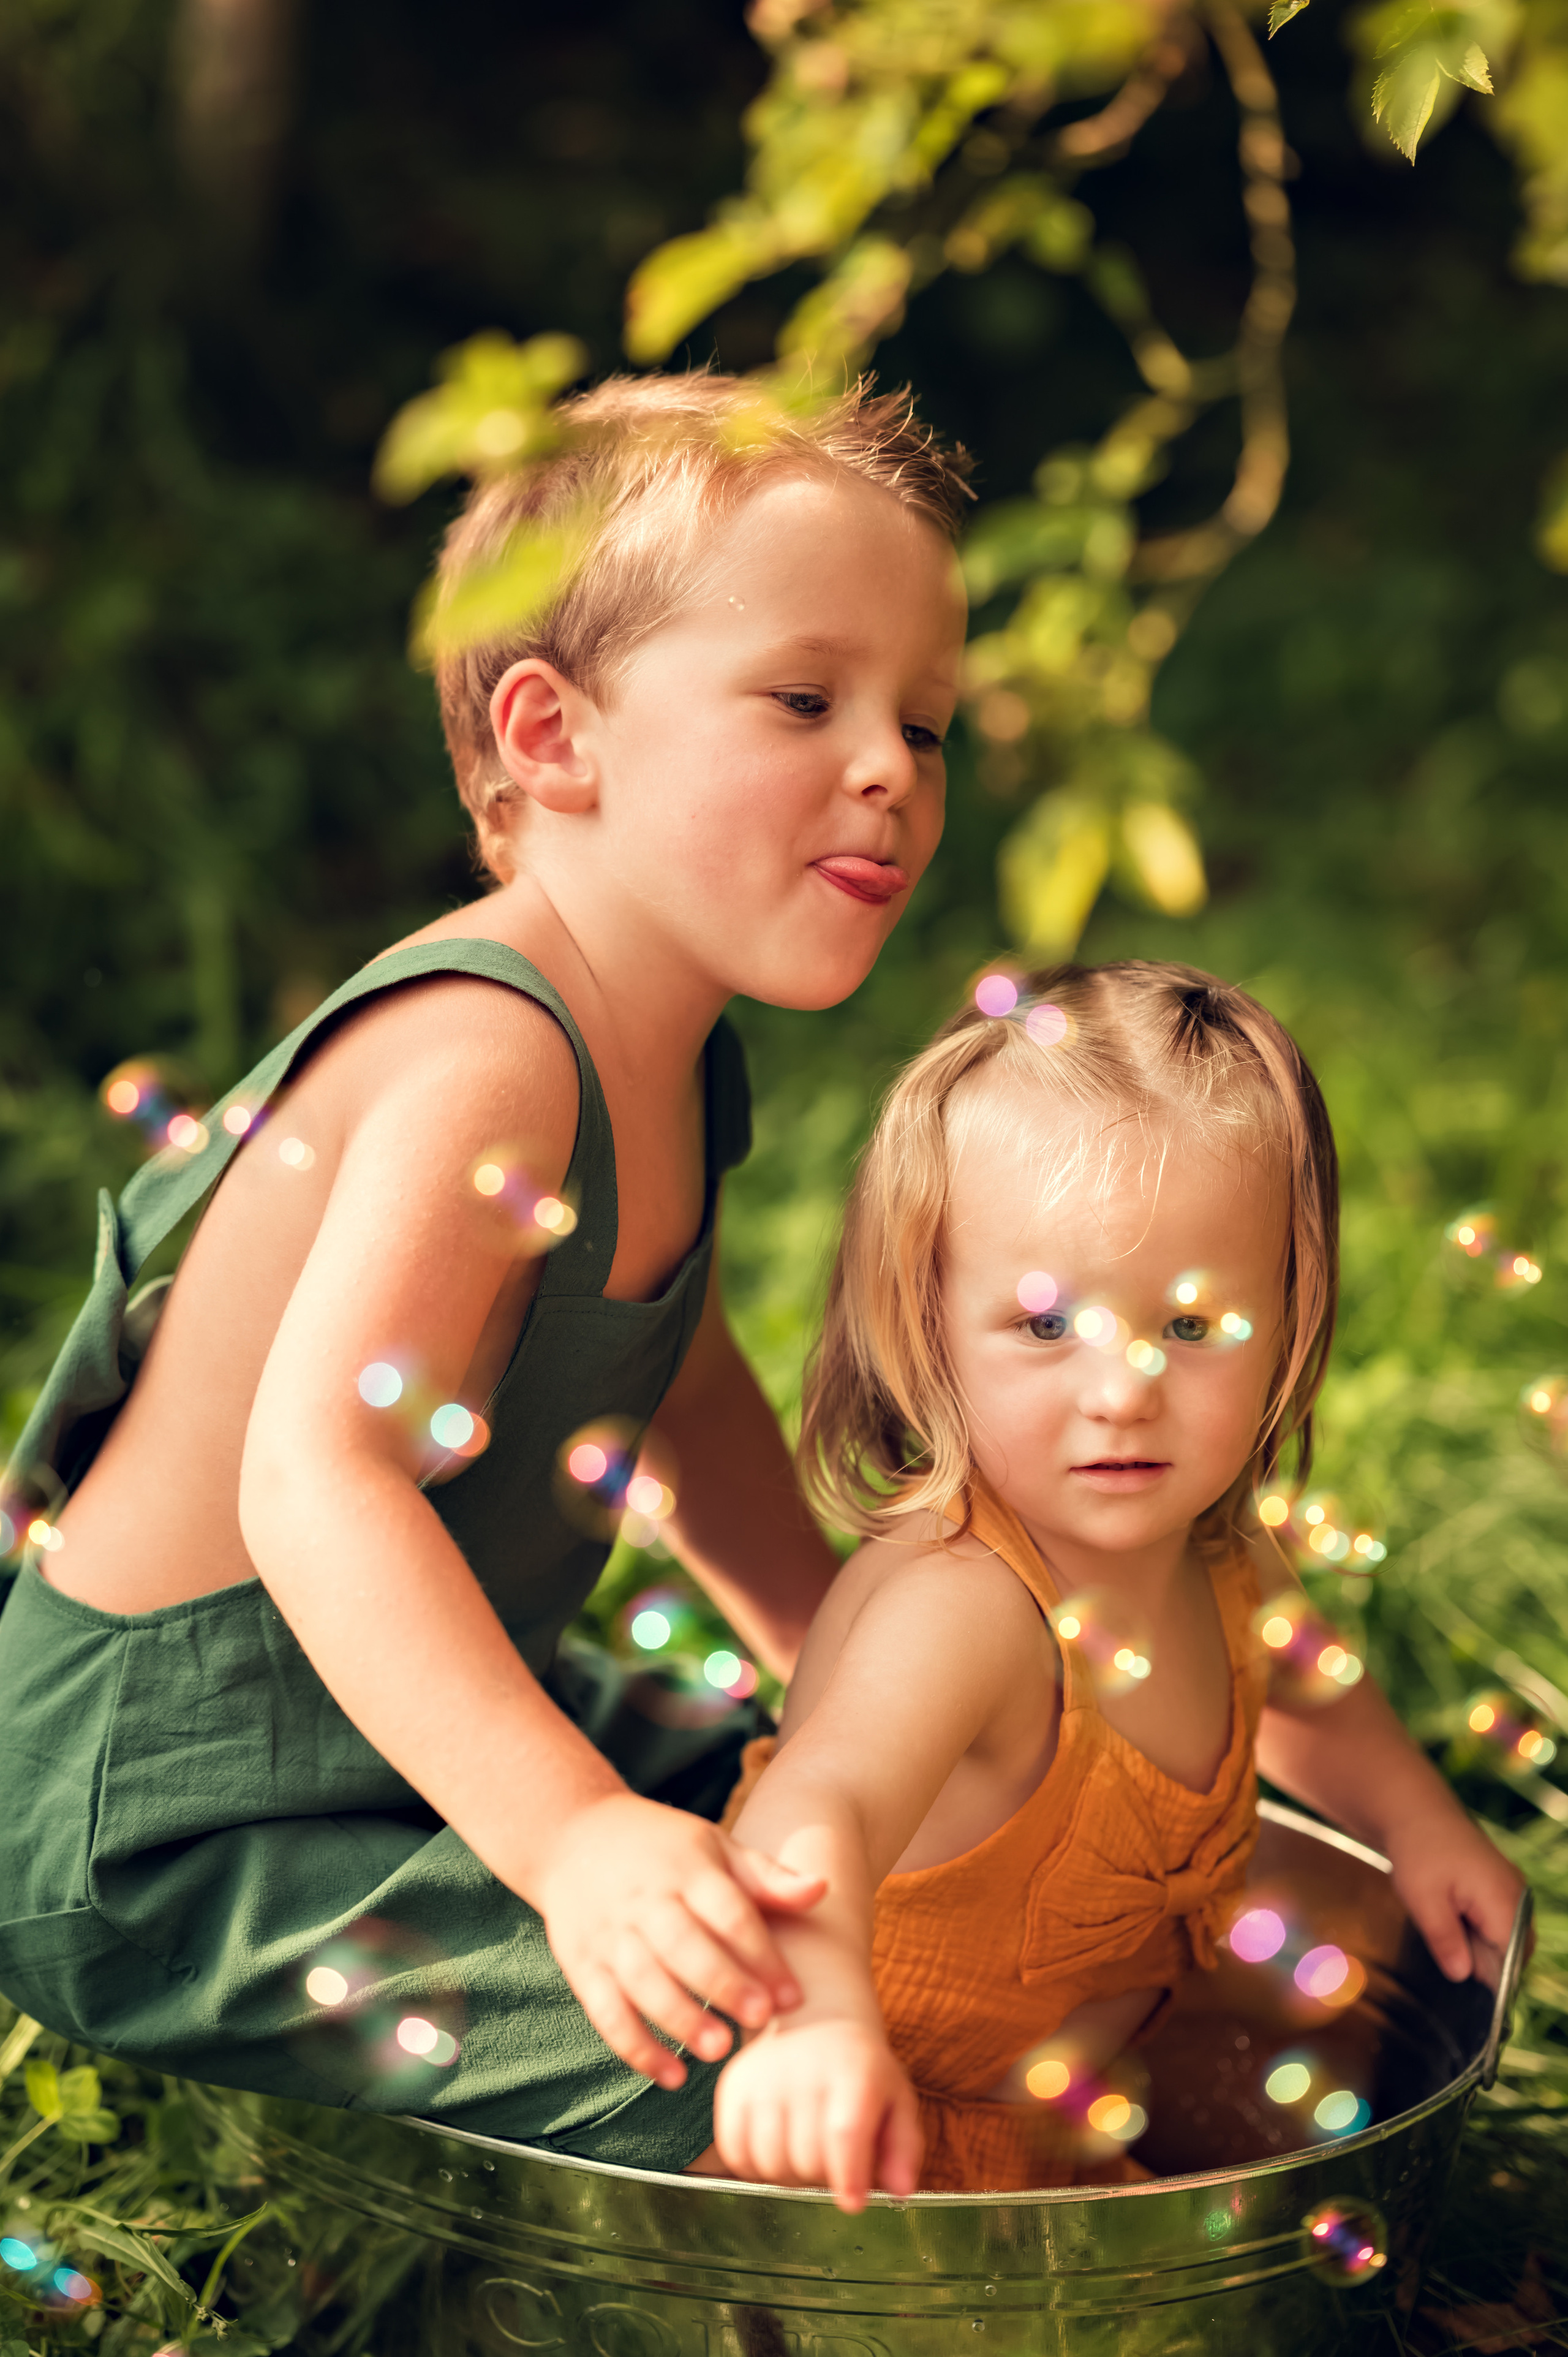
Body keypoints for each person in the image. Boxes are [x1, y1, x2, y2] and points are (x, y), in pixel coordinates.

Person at [0, 370, 970, 2171]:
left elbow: (671, 1388)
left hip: (387, 1735)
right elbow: (319, 1477)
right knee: (737, 2047)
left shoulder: (674, 1050)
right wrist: (571, 1840)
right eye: (807, 699)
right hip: (178, 1829)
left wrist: (825, 1672)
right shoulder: (490, 1056)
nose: (891, 770)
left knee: (858, 1852)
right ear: (554, 737)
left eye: (929, 723)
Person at [707, 959, 1526, 2208]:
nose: (1122, 1390)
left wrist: (1415, 1819)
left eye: (1192, 1325)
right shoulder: (965, 1611)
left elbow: (1313, 1692)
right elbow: (807, 1814)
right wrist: (812, 2027)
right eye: (1044, 1324)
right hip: (862, 2168)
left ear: (1288, 1316)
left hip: (1058, 2148)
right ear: (924, 1324)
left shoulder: (1223, 1556)